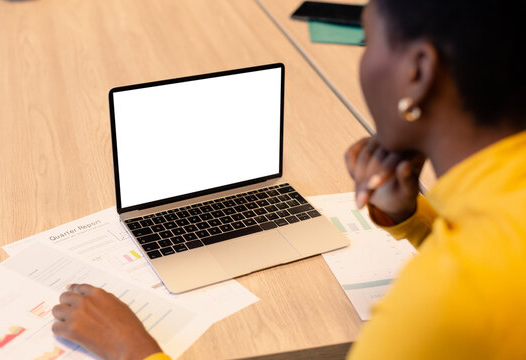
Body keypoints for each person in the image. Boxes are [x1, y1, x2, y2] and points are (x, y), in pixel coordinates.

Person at [52, 0, 526, 359]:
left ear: (418, 71)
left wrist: (134, 350)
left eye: (366, 41)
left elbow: (475, 283)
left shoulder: (440, 300)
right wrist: (410, 218)